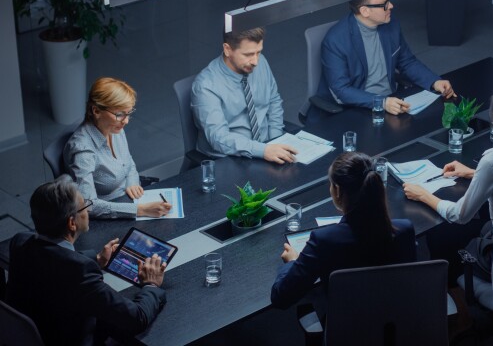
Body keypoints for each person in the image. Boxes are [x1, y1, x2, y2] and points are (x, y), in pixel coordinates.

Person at [403, 84, 493, 280]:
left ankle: (452, 291)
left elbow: (460, 215)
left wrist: (423, 194)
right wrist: (475, 173)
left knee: (440, 231)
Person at [6, 176, 167, 346]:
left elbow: (51, 259)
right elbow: (136, 319)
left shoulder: (20, 241)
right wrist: (151, 285)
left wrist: (96, 259)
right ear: (72, 223)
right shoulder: (79, 271)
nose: (88, 211)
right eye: (85, 205)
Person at [271, 152, 417, 308]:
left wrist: (292, 262)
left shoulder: (324, 241)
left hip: (346, 329)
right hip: (396, 323)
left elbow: (281, 297)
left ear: (338, 190)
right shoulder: (404, 230)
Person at [316, 0, 456, 115]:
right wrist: (382, 102)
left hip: (392, 100)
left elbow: (407, 62)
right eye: (384, 4)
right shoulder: (335, 40)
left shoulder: (390, 24)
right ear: (365, 11)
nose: (391, 6)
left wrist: (434, 81)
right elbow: (342, 90)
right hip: (356, 107)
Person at [64, 77, 171, 219]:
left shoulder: (114, 129)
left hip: (130, 201)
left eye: (128, 113)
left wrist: (132, 181)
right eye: (120, 114)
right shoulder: (82, 149)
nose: (126, 121)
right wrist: (140, 210)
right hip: (108, 214)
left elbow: (128, 162)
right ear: (96, 111)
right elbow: (88, 206)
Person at [191, 27, 297, 164]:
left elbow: (274, 102)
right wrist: (263, 150)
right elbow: (219, 138)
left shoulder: (261, 62)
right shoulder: (206, 86)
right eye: (248, 54)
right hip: (230, 157)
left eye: (258, 52)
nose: (255, 61)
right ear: (227, 50)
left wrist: (276, 142)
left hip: (268, 147)